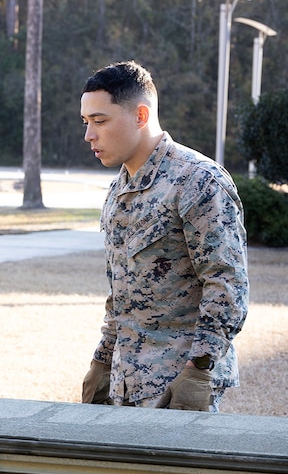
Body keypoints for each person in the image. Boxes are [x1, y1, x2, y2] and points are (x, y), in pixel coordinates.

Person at [79, 60, 248, 412]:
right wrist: (103, 361)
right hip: (125, 385)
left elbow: (227, 286)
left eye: (100, 121)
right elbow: (122, 295)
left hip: (177, 388)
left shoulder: (198, 181)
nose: (89, 135)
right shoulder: (118, 190)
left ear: (141, 116)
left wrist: (199, 369)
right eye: (86, 122)